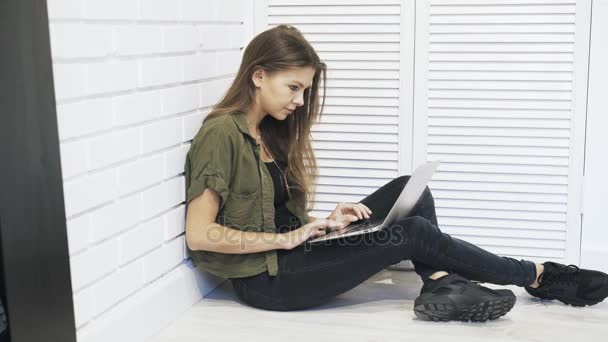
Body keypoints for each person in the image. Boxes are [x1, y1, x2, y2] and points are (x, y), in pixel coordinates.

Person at [184, 24, 608, 322]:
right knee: (412, 232)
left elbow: (270, 211)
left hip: (292, 253)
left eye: (304, 90)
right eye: (293, 87)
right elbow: (200, 234)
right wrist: (286, 238)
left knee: (411, 190)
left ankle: (441, 284)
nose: (299, 100)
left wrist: (322, 223)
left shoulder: (268, 132)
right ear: (259, 76)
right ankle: (536, 275)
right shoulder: (222, 133)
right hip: (268, 281)